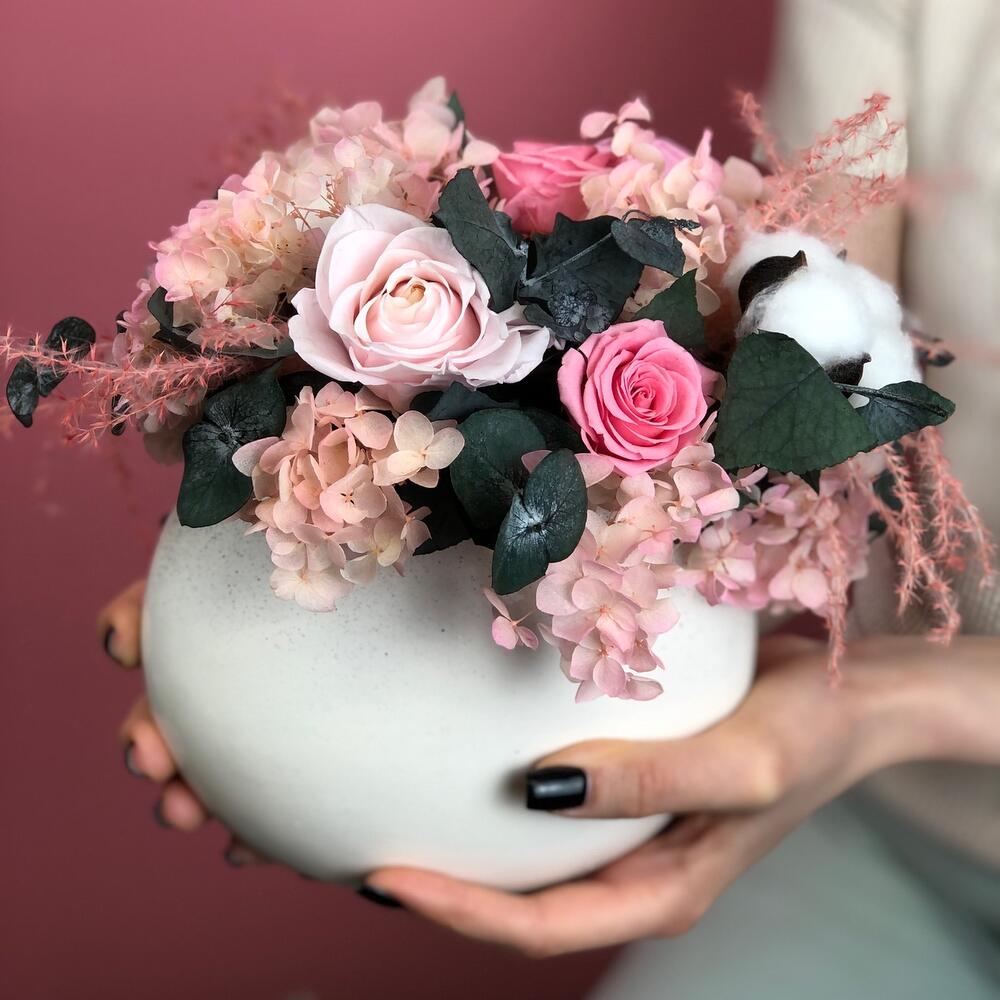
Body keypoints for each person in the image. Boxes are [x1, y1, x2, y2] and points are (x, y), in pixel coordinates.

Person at [98, 1, 1000, 993]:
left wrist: (886, 706)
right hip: (891, 822)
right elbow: (804, 342)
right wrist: (261, 599)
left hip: (872, 747)